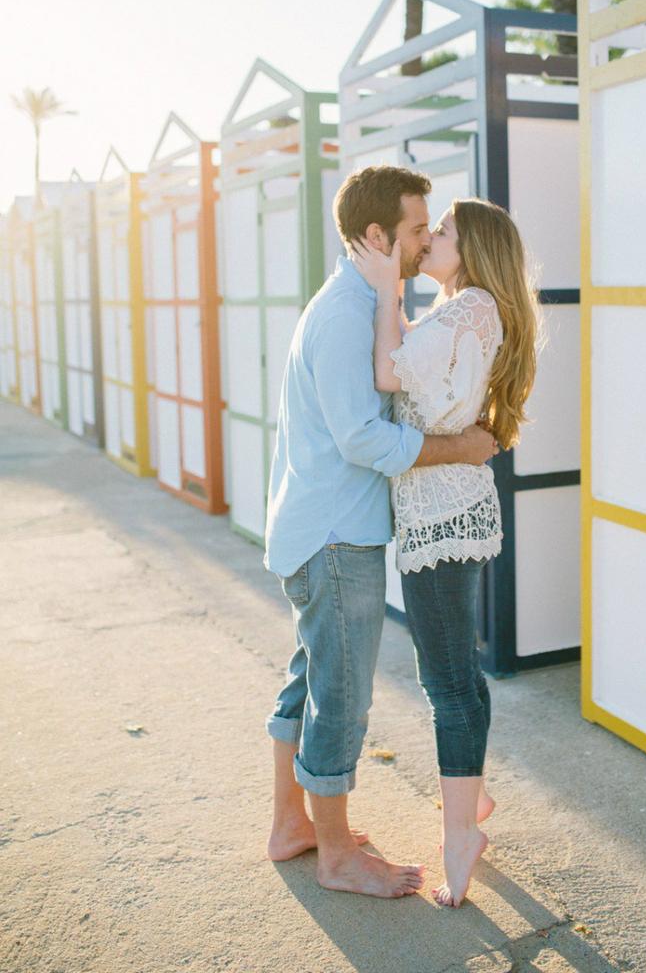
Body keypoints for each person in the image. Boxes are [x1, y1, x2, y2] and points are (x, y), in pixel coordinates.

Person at [264, 165, 499, 900]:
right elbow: (365, 440)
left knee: (309, 684)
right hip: (336, 538)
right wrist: (460, 450)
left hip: (323, 526)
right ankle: (335, 855)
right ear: (376, 237)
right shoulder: (344, 317)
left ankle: (293, 825)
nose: (428, 238)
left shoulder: (368, 305)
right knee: (341, 696)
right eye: (416, 229)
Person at [352, 196, 539, 908]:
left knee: (447, 685)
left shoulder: (468, 310)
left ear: (475, 247)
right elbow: (411, 361)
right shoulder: (466, 310)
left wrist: (385, 289)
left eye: (445, 231)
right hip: (450, 509)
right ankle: (475, 800)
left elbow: (388, 374)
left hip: (441, 517)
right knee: (460, 669)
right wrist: (394, 297)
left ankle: (460, 835)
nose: (430, 237)